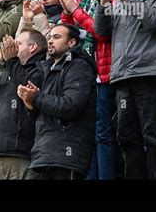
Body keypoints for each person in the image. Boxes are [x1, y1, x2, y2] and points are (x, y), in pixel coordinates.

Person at [94, 0, 156, 179]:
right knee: (127, 137)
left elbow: (155, 20)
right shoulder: (121, 1)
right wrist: (102, 3)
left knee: (153, 136)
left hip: (149, 74)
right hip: (122, 76)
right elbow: (101, 30)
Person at [19, 24, 97, 180]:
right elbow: (44, 115)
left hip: (66, 156)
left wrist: (36, 98)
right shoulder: (46, 69)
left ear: (72, 43)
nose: (50, 41)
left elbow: (70, 106)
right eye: (49, 37)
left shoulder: (79, 66)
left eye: (56, 37)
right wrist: (31, 106)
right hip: (43, 154)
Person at [59, 0, 115, 179]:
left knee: (103, 134)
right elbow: (70, 35)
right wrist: (66, 13)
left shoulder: (110, 1)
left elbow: (101, 33)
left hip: (103, 74)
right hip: (83, 76)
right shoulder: (86, 1)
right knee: (88, 133)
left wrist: (74, 10)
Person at [0, 31, 48, 179]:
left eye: (17, 44)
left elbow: (27, 85)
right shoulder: (9, 70)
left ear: (33, 47)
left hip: (22, 153)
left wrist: (11, 60)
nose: (11, 48)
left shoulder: (42, 68)